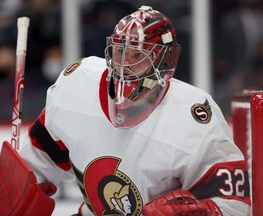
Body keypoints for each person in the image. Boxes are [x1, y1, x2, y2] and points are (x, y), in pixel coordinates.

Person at [17, 5, 250, 215]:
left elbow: (234, 203)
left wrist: (194, 212)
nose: (124, 66)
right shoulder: (79, 84)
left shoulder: (193, 116)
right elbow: (39, 161)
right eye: (120, 52)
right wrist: (12, 191)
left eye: (138, 55)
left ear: (164, 60)